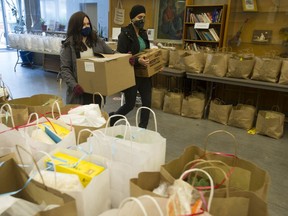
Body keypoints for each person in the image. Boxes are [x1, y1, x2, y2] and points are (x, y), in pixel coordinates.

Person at [109, 5, 151, 128]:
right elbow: (121, 57)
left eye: (144, 17)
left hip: (145, 74)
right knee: (130, 104)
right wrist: (137, 60)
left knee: (147, 104)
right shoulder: (125, 35)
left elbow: (147, 51)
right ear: (132, 18)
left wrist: (155, 63)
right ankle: (113, 119)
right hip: (131, 75)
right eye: (139, 17)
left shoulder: (143, 33)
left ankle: (142, 129)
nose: (142, 19)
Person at [59, 11, 114, 105]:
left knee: (95, 115)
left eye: (88, 24)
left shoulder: (97, 41)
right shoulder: (68, 45)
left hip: (96, 88)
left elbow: (112, 53)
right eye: (83, 24)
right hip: (79, 90)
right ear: (76, 26)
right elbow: (65, 69)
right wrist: (74, 86)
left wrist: (126, 58)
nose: (86, 26)